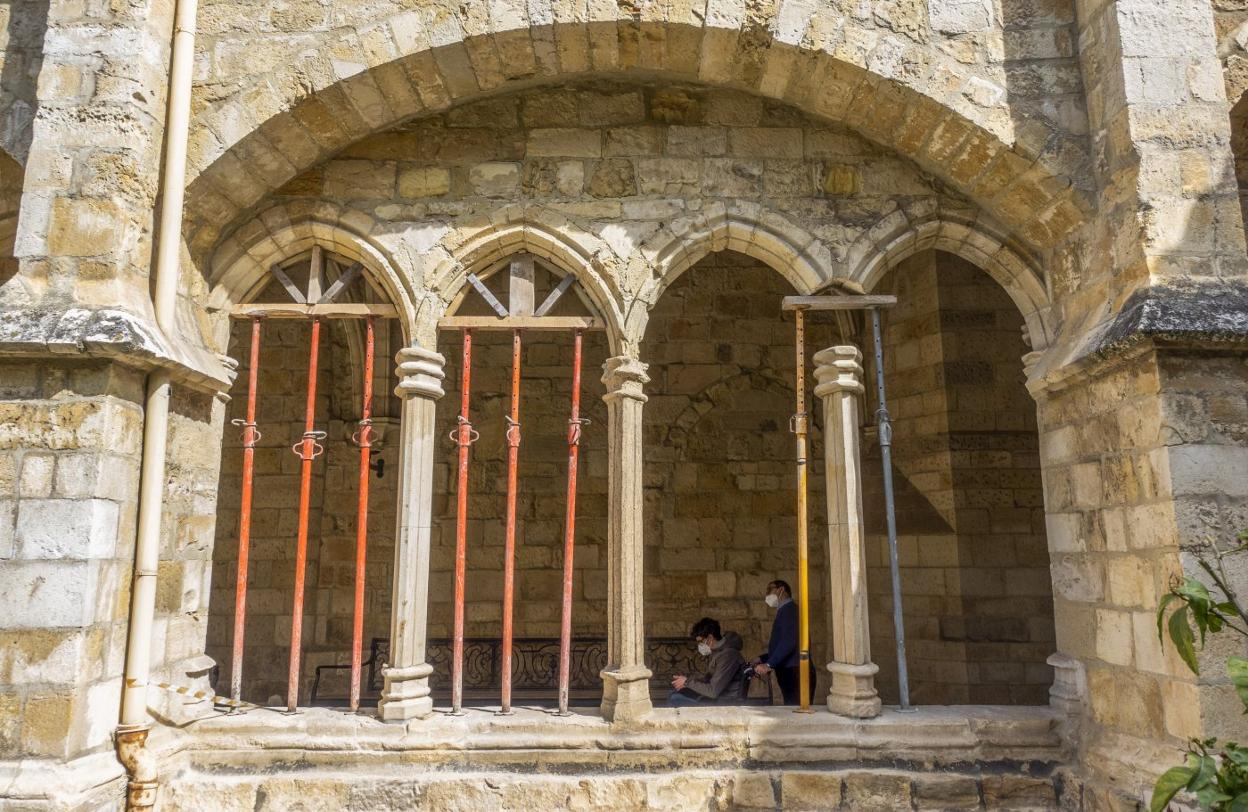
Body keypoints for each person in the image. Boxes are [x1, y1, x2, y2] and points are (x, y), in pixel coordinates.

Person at [667, 617, 745, 707]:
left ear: (710, 638)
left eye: (700, 641)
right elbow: (709, 680)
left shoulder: (728, 656)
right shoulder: (719, 652)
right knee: (673, 692)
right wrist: (687, 683)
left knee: (674, 698)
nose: (699, 645)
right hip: (717, 697)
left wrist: (687, 682)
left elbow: (713, 691)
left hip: (724, 701)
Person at [753, 579, 805, 705]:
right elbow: (780, 644)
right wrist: (763, 658)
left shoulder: (790, 610)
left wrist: (769, 664)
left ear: (781, 589)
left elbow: (789, 641)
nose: (767, 594)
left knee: (795, 710)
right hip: (789, 670)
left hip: (794, 670)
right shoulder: (785, 611)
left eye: (769, 590)